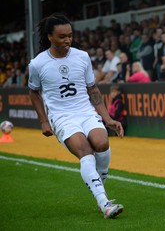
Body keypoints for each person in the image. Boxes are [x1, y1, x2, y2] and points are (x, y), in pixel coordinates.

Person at [27, 13, 124, 218]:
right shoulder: (37, 63)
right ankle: (104, 203)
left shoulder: (82, 57)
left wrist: (107, 119)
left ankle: (99, 187)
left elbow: (92, 89)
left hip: (85, 111)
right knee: (85, 151)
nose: (68, 40)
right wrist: (44, 120)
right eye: (62, 36)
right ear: (50, 37)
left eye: (70, 35)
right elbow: (33, 91)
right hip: (62, 117)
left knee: (102, 144)